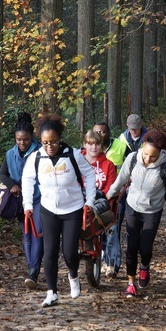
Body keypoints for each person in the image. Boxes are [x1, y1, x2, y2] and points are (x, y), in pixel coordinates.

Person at [22, 115, 97, 307]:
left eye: (53, 142)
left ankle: (73, 275)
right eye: (46, 142)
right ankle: (52, 292)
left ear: (60, 138)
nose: (50, 146)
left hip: (73, 208)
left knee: (69, 252)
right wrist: (28, 205)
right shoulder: (36, 157)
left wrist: (90, 200)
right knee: (50, 252)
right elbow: (27, 180)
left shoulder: (72, 154)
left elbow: (89, 174)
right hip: (48, 209)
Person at [106, 129, 166, 298]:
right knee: (132, 247)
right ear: (142, 147)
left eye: (152, 157)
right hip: (132, 207)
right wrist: (110, 193)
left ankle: (145, 267)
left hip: (152, 211)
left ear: (160, 153)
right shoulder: (133, 158)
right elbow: (122, 178)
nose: (147, 159)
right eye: (146, 154)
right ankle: (131, 283)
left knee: (145, 248)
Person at [0, 112, 43, 290]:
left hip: (39, 198)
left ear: (31, 137)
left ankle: (34, 272)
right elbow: (2, 173)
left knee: (37, 232)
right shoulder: (10, 154)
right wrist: (11, 185)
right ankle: (32, 266)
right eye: (18, 140)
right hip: (20, 200)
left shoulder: (40, 152)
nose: (22, 143)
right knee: (26, 233)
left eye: (25, 140)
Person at [112, 114, 148, 278]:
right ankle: (116, 257)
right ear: (127, 126)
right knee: (117, 220)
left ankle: (136, 250)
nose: (134, 131)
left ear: (141, 125)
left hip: (140, 187)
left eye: (137, 128)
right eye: (131, 128)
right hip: (122, 187)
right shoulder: (119, 141)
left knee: (136, 223)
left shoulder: (148, 139)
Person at [93, 122, 129, 278]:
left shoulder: (120, 147)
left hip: (116, 197)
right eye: (96, 132)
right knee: (95, 231)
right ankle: (100, 261)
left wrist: (119, 191)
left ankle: (112, 264)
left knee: (113, 229)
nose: (99, 135)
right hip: (93, 200)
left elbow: (130, 167)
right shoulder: (84, 155)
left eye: (102, 132)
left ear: (108, 133)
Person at [81, 130, 117, 197]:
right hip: (78, 200)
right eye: (90, 144)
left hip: (100, 201)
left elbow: (110, 186)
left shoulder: (109, 165)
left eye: (97, 144)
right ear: (84, 145)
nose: (94, 147)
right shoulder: (77, 162)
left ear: (101, 145)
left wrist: (100, 194)